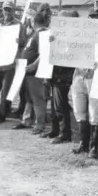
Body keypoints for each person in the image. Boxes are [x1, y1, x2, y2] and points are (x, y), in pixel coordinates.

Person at [70, 10, 98, 159]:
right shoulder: (80, 36)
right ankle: (83, 143)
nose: (93, 21)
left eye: (97, 19)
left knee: (95, 113)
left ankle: (94, 147)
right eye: (91, 18)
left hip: (96, 78)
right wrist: (53, 42)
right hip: (78, 75)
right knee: (79, 110)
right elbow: (66, 49)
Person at [40, 10, 76, 144]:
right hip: (54, 73)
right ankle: (55, 130)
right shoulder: (57, 35)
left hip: (63, 75)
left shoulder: (73, 38)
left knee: (61, 105)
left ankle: (65, 133)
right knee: (55, 105)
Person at [11, 12, 48, 135]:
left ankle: (40, 124)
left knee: (37, 99)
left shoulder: (42, 33)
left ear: (34, 22)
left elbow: (45, 53)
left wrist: (34, 65)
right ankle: (26, 120)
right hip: (27, 71)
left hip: (35, 72)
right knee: (29, 98)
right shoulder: (34, 34)